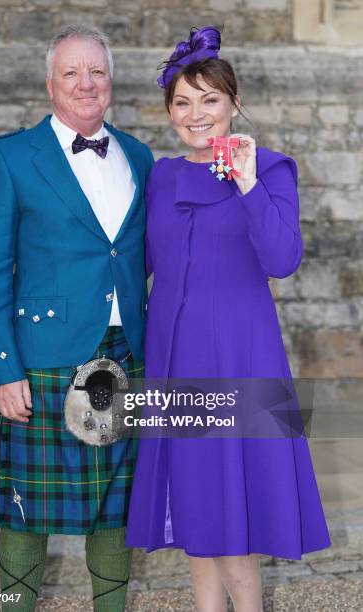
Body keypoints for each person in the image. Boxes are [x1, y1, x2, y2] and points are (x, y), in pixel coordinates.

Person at [126, 26, 331, 611]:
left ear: (233, 103)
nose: (197, 115)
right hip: (174, 363)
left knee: (235, 523)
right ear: (169, 112)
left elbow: (282, 258)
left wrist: (244, 181)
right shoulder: (162, 176)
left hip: (241, 359)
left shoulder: (271, 169)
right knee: (196, 512)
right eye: (183, 103)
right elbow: (139, 263)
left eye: (209, 100)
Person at [0, 25, 153, 612]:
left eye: (96, 70)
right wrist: (1, 367)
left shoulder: (139, 156)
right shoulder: (11, 155)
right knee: (27, 509)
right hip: (44, 357)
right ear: (50, 83)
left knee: (114, 510)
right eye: (71, 71)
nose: (85, 82)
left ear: (111, 80)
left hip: (126, 352)